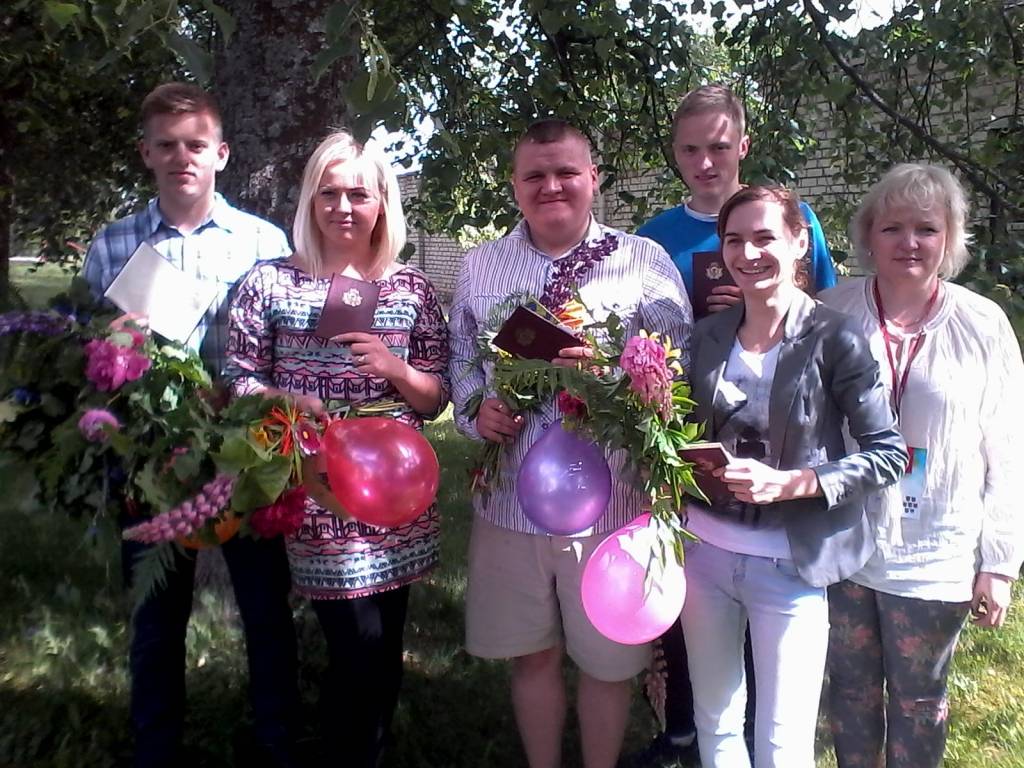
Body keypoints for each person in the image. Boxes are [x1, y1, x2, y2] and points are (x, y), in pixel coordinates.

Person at [448, 118, 692, 768]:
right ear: (514, 185)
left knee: (607, 664)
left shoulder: (643, 261)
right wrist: (476, 413)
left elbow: (680, 365)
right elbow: (462, 359)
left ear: (594, 178)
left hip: (613, 503)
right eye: (535, 174)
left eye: (566, 172)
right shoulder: (481, 266)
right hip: (511, 500)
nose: (551, 186)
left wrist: (612, 372)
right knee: (532, 654)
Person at [82, 82, 299, 768]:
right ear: (146, 152)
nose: (183, 157)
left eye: (196, 145)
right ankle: (156, 750)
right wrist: (112, 345)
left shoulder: (263, 243)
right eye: (168, 145)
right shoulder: (112, 245)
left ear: (221, 154)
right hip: (148, 459)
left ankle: (277, 746)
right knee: (155, 618)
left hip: (245, 458)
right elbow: (85, 356)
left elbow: (285, 348)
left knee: (266, 613)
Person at [224, 130, 450, 768]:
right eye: (329, 193)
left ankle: (364, 751)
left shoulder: (410, 289)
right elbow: (237, 376)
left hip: (396, 497)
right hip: (318, 489)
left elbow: (438, 396)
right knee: (357, 644)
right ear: (310, 200)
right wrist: (284, 401)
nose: (343, 207)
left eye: (358, 194)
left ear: (382, 203)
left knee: (384, 648)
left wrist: (396, 369)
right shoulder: (269, 283)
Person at [628, 83, 838, 767]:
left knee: (765, 594)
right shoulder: (655, 238)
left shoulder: (790, 221)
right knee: (693, 593)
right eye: (690, 149)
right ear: (675, 154)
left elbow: (824, 313)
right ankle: (683, 728)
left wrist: (762, 297)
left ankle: (759, 737)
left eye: (719, 146)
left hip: (779, 438)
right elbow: (638, 333)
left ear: (742, 145)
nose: (705, 162)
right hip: (690, 434)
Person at [680, 185, 907, 768]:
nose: (748, 253)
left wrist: (795, 483)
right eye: (735, 240)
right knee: (715, 720)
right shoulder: (706, 336)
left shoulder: (836, 337)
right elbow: (679, 433)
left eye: (765, 238)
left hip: (790, 562)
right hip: (703, 555)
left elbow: (887, 453)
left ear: (799, 242)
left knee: (783, 742)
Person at [820, 163, 1024, 768]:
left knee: (919, 702)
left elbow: (1008, 447)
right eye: (893, 228)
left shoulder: (982, 324)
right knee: (849, 695)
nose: (909, 242)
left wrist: (999, 564)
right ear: (868, 234)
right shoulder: (830, 313)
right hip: (845, 542)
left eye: (926, 229)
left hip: (936, 549)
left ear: (950, 238)